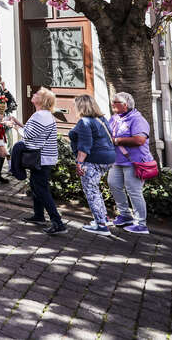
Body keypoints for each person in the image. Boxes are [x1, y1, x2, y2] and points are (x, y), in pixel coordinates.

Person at [10, 87, 65, 235]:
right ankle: (39, 215)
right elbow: (32, 131)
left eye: (37, 94)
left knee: (41, 189)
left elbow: (28, 135)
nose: (33, 94)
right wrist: (18, 123)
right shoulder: (43, 115)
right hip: (45, 157)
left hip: (42, 159)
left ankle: (58, 222)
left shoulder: (40, 116)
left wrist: (13, 126)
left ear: (42, 100)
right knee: (36, 186)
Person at [69, 95, 116, 236]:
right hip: (109, 158)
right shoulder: (101, 119)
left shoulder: (84, 122)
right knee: (95, 189)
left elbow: (84, 146)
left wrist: (79, 163)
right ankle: (104, 218)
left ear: (81, 106)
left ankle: (101, 225)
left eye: (76, 105)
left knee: (91, 191)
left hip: (94, 159)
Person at [107, 92, 153, 235]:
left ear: (125, 105)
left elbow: (139, 140)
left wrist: (117, 141)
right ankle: (125, 215)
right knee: (113, 185)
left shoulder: (137, 119)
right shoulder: (114, 118)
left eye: (115, 102)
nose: (112, 104)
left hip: (135, 162)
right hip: (117, 161)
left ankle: (141, 224)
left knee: (134, 191)